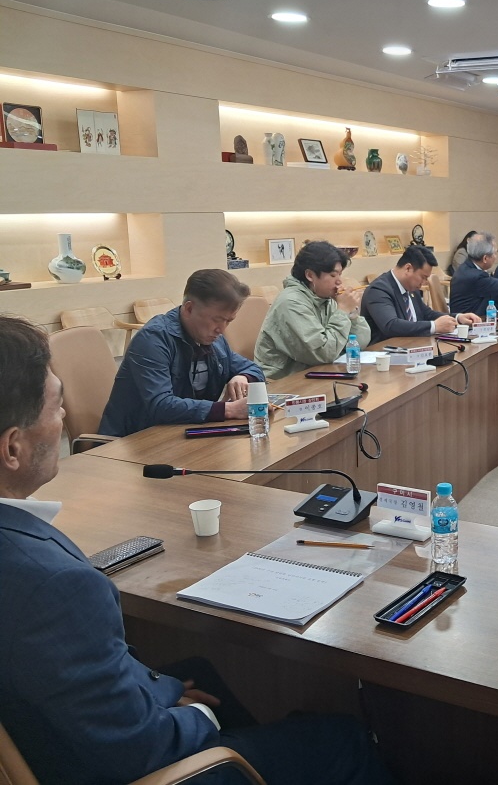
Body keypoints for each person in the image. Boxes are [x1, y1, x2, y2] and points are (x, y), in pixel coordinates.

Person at [0, 315, 391, 785]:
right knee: (340, 739)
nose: (62, 418)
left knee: (202, 672)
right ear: (13, 449)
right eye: (56, 407)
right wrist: (199, 719)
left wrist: (160, 695)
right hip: (128, 766)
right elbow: (142, 751)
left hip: (54, 729)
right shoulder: (53, 587)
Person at [99, 269, 264, 437]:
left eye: (228, 321)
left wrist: (242, 377)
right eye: (217, 319)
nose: (221, 329)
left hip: (180, 433)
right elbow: (161, 405)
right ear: (189, 309)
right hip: (133, 440)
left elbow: (254, 369)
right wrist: (228, 410)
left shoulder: (214, 340)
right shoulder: (153, 340)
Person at [255, 241, 371, 379]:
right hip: (284, 381)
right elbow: (323, 353)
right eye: (333, 275)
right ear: (310, 275)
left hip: (317, 372)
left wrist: (352, 315)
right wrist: (342, 311)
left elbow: (361, 342)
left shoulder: (326, 297)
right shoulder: (290, 303)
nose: (339, 281)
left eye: (340, 275)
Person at [362, 245, 479, 346]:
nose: (425, 282)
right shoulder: (379, 290)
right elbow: (391, 325)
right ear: (408, 268)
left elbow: (426, 314)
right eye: (423, 277)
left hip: (414, 347)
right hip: (386, 353)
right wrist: (434, 326)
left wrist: (457, 318)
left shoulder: (411, 287)